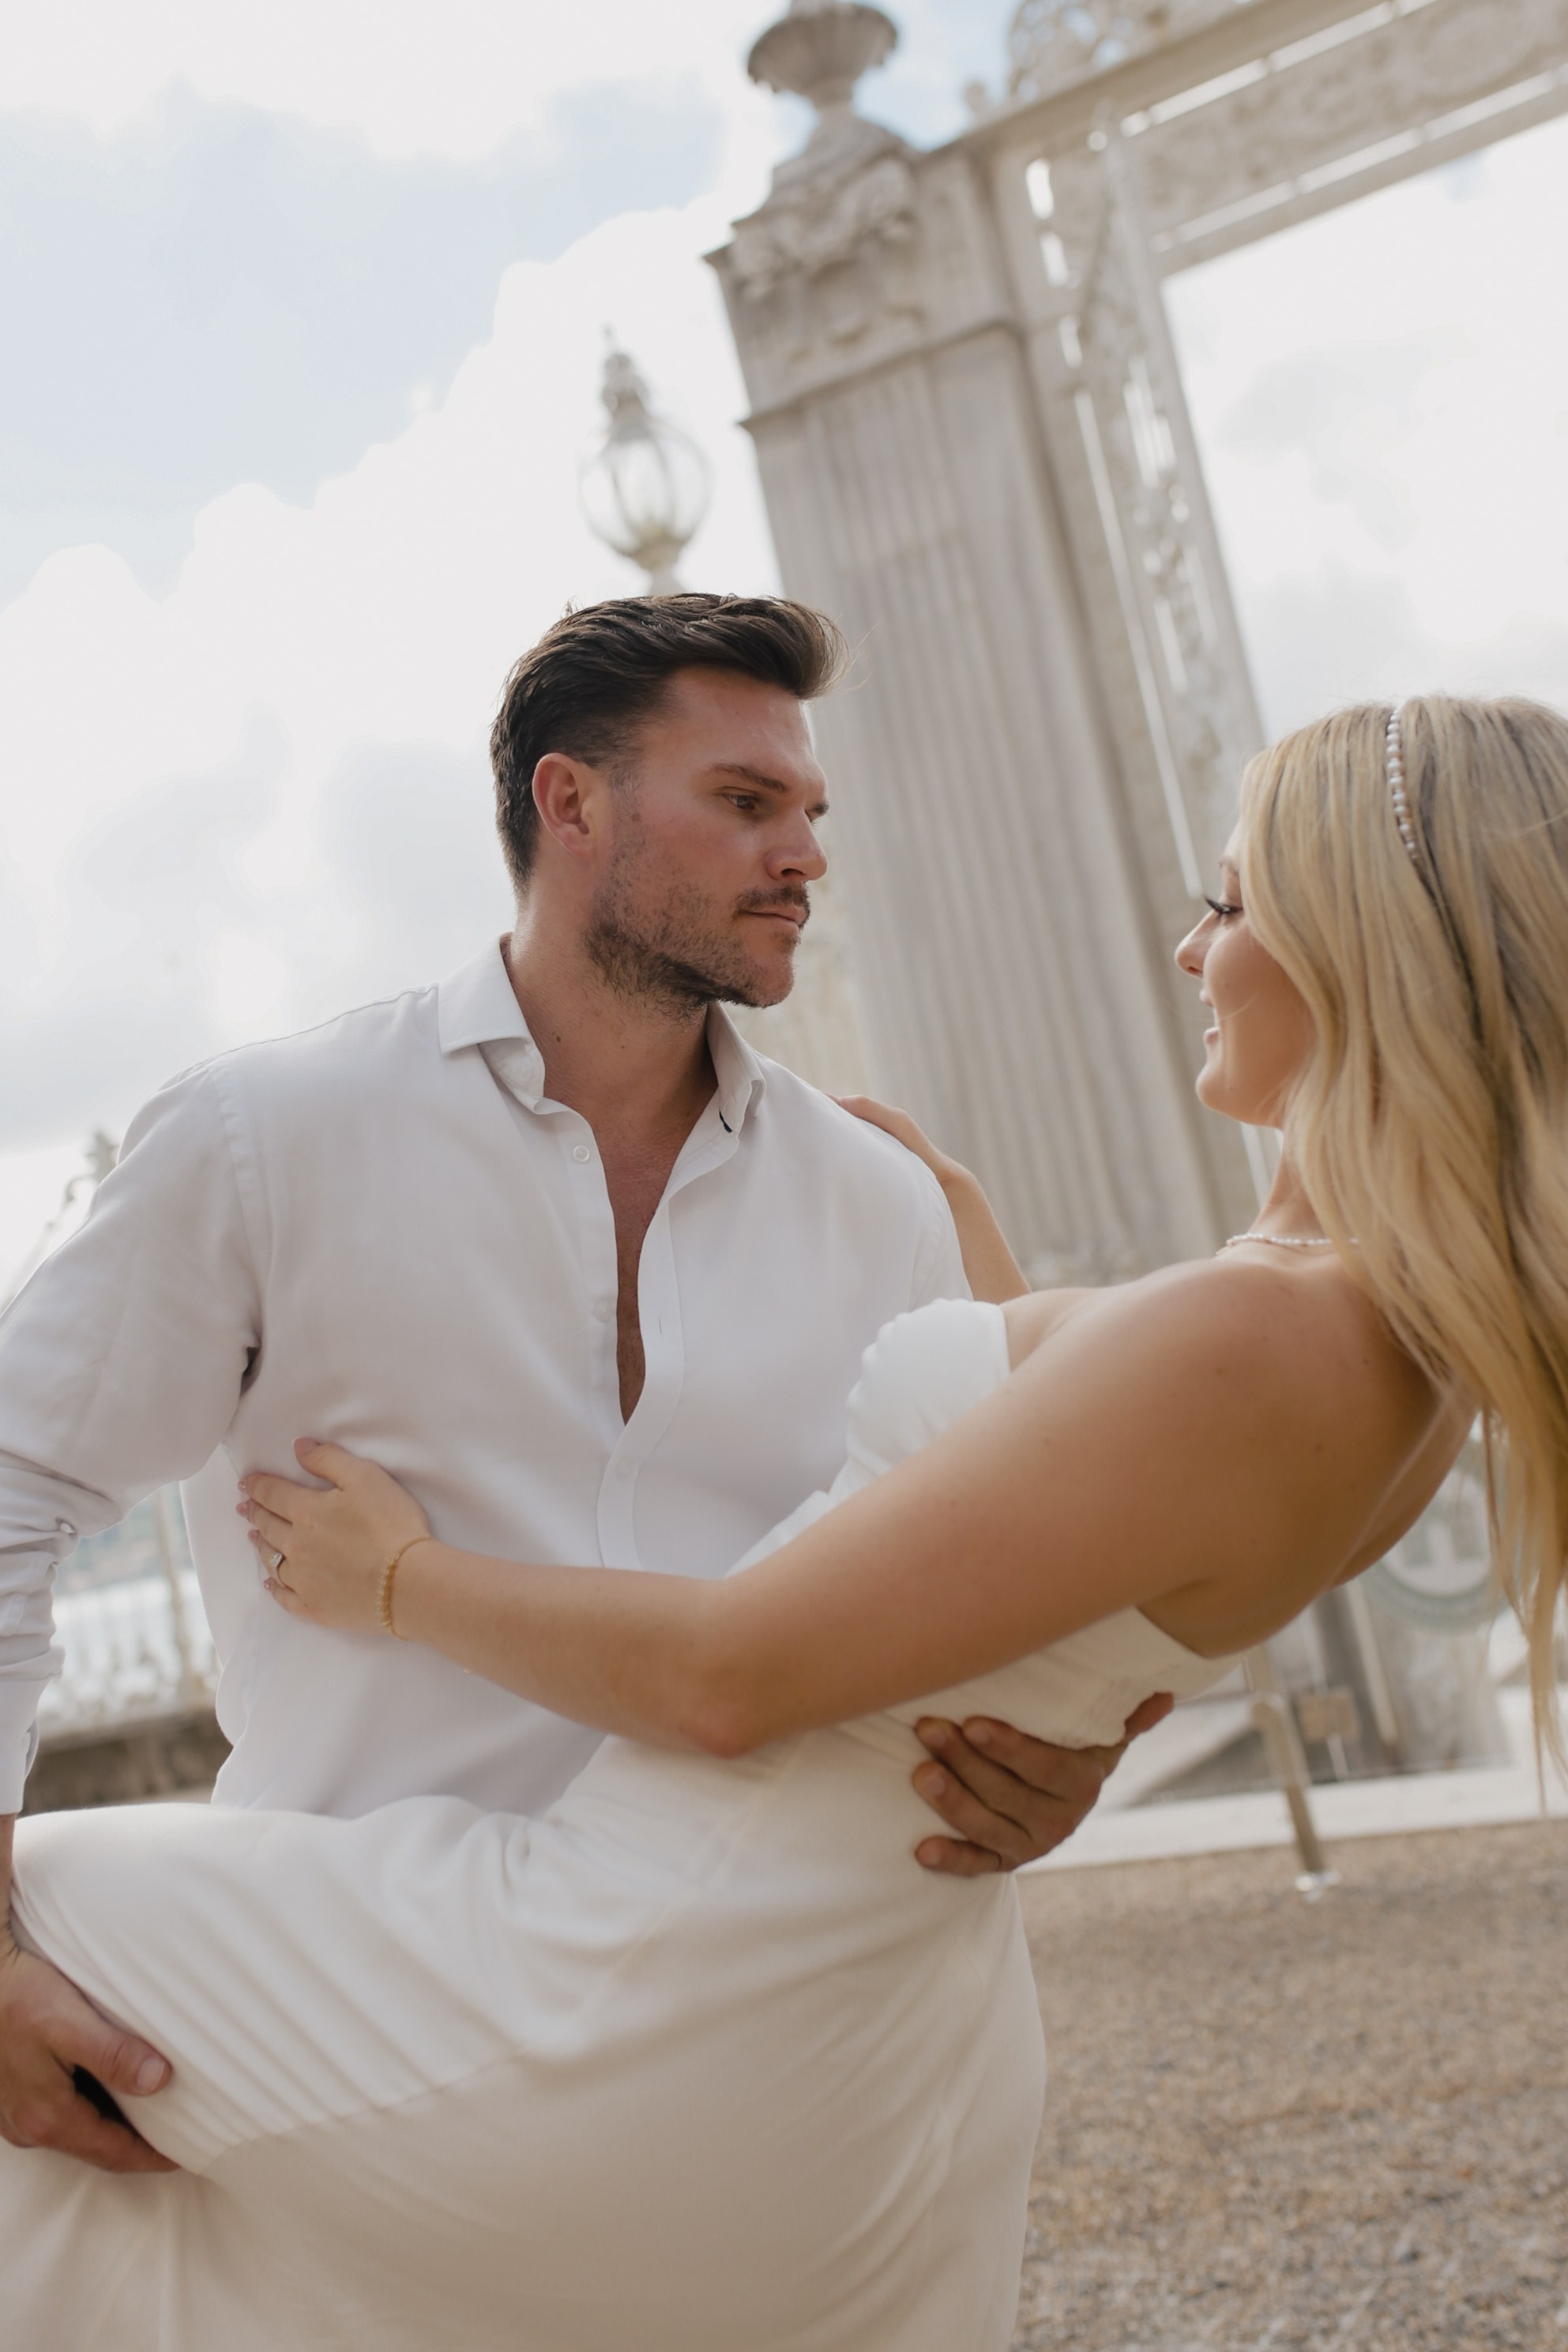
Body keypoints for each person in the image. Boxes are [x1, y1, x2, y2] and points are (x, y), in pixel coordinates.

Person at [6, 691, 1564, 2350]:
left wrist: (398, 1580)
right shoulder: (1401, 1352)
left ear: (1366, 946)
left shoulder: (1267, 1333)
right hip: (884, 2035)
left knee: (43, 1921)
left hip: (651, 1973)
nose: (1192, 948)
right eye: (748, 798)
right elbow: (1078, 1550)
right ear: (568, 806)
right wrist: (1078, 1714)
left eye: (1236, 904)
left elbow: (731, 1679)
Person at [0, 594, 1149, 2188]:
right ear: (571, 803)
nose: (805, 854)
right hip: (349, 2038)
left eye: (812, 812)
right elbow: (15, 1481)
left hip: (786, 2040)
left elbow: (1010, 1566)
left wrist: (1062, 1748)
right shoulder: (270, 1137)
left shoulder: (876, 1205)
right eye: (746, 804)